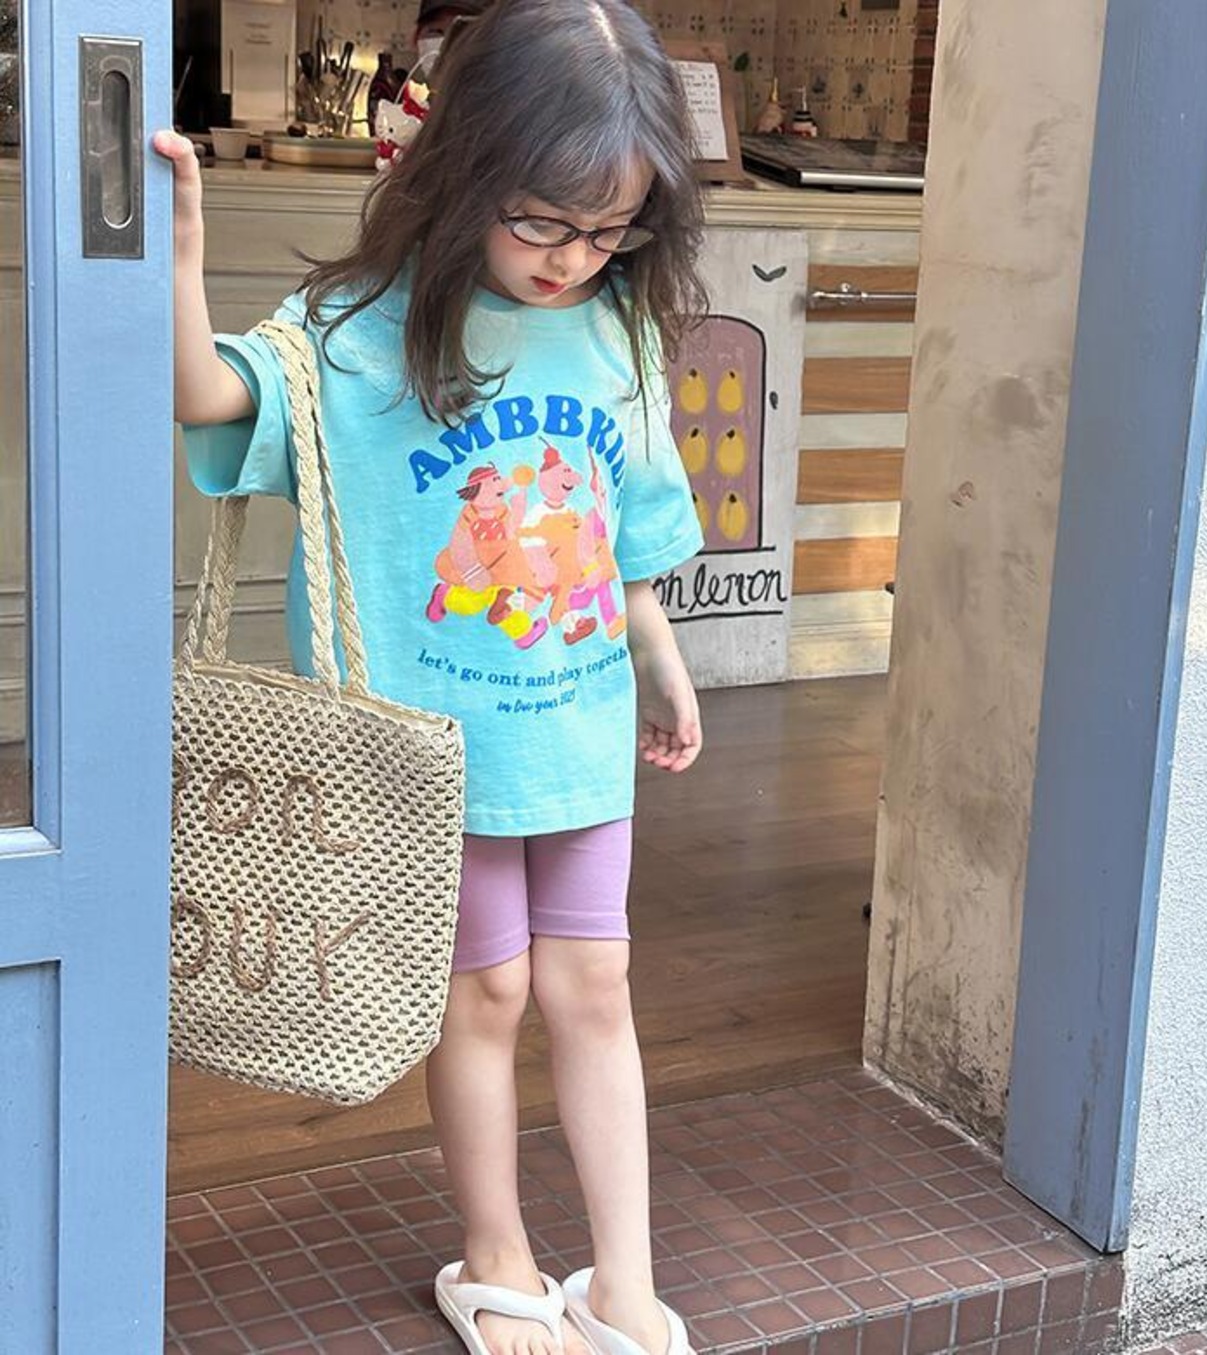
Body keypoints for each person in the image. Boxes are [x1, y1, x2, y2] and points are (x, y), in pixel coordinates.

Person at [153, 3, 709, 1354]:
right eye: (544, 222)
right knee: (488, 996)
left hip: (577, 734)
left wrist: (661, 659)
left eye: (611, 231)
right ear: (464, 169)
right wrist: (177, 260)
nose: (574, 258)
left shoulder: (621, 329)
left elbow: (629, 529)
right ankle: (496, 1256)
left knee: (596, 989)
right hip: (427, 761)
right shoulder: (359, 331)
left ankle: (624, 1285)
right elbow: (212, 400)